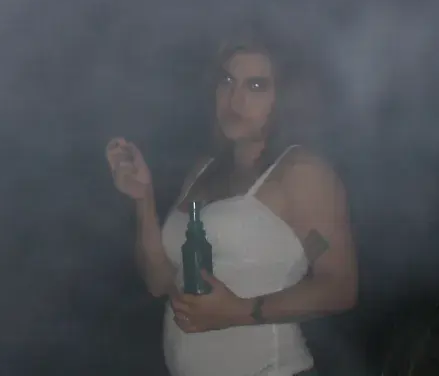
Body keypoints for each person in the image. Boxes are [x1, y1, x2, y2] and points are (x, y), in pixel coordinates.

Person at [105, 25, 358, 376]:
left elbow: (339, 287)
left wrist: (240, 311)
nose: (234, 100)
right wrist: (143, 199)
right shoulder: (204, 170)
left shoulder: (301, 171)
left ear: (284, 99)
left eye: (255, 86)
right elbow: (160, 282)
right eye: (227, 81)